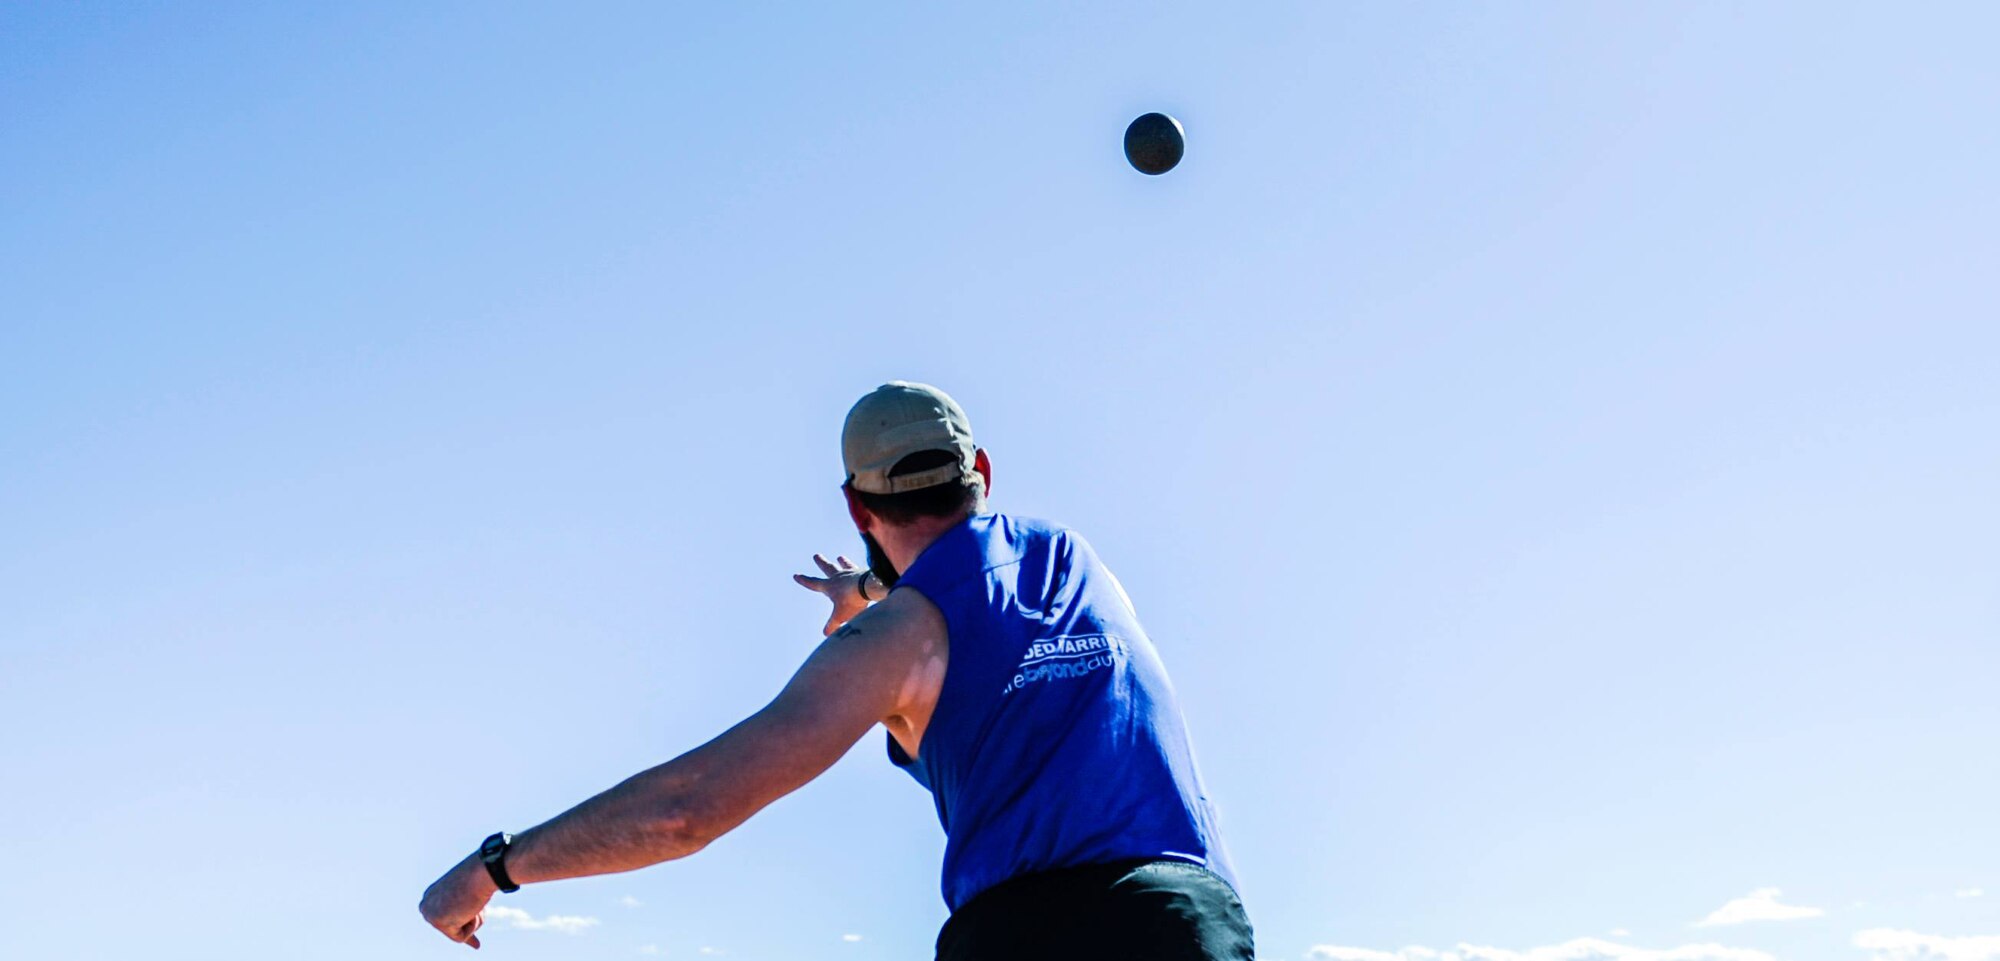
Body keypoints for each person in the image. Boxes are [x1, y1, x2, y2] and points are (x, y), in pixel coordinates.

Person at [420, 382, 1253, 960]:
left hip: (1025, 936)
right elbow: (966, 570)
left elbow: (687, 811)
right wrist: (868, 587)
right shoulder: (1071, 559)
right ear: (984, 473)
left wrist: (494, 865)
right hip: (1181, 922)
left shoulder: (891, 642)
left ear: (857, 507)